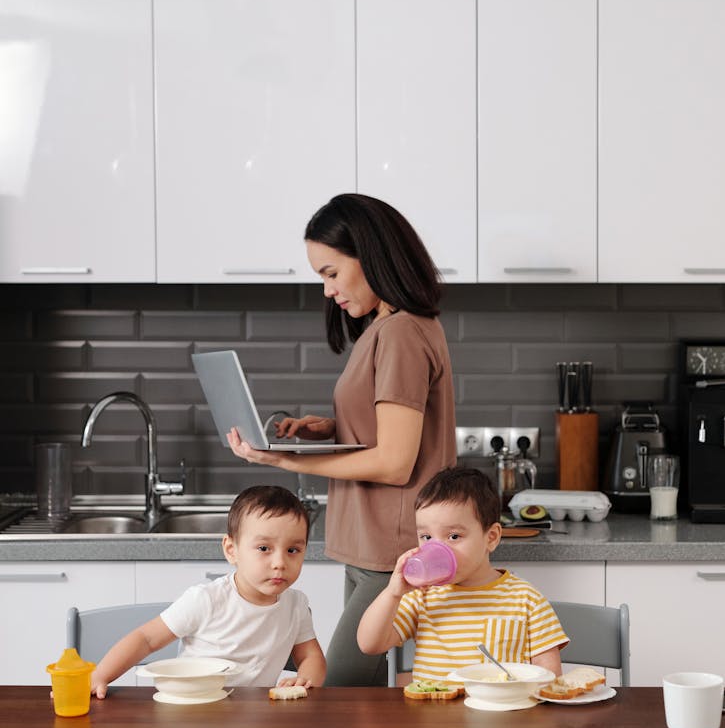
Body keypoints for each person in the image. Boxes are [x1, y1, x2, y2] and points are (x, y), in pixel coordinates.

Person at [227, 193, 457, 685]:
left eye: (331, 272)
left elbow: (395, 461)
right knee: (365, 710)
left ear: (370, 254)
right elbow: (389, 425)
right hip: (366, 541)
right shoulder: (386, 327)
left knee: (339, 692)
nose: (328, 290)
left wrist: (289, 463)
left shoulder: (400, 333)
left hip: (390, 550)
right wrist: (327, 429)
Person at [88, 486, 326, 697]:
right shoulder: (207, 599)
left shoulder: (296, 604)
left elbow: (310, 657)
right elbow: (146, 639)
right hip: (193, 708)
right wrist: (101, 676)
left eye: (293, 550)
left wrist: (305, 680)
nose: (279, 563)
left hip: (253, 721)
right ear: (231, 550)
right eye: (264, 548)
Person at [357, 466, 567, 679]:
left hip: (502, 710)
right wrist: (393, 593)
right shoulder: (422, 596)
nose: (438, 549)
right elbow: (369, 644)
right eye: (426, 537)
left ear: (491, 537)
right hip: (434, 711)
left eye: (454, 536)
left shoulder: (526, 599)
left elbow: (549, 676)